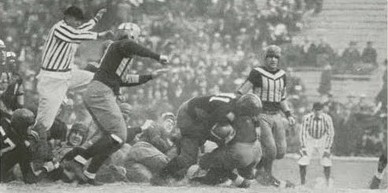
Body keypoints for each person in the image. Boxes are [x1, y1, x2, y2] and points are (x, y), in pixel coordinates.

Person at [61, 22, 169, 186]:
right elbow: (131, 45)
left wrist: (150, 76)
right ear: (132, 34)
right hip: (101, 92)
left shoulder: (117, 54)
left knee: (114, 139)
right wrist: (157, 57)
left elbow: (124, 79)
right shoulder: (122, 45)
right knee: (120, 134)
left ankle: (90, 173)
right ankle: (78, 160)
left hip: (99, 91)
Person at [32, 6, 112, 157]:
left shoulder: (71, 27)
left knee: (95, 77)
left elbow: (80, 29)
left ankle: (109, 99)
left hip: (67, 74)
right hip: (52, 80)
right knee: (43, 124)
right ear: (67, 17)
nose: (77, 23)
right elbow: (76, 36)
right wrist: (100, 34)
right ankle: (30, 153)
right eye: (75, 20)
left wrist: (96, 19)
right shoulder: (59, 28)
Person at [152, 93, 262, 185]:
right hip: (190, 116)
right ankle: (161, 176)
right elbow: (207, 127)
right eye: (248, 115)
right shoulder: (226, 111)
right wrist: (220, 143)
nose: (250, 118)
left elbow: (254, 119)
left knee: (226, 146)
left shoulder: (238, 104)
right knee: (189, 158)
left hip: (203, 117)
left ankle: (223, 173)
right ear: (243, 110)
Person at [236, 45, 296, 188]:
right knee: (271, 149)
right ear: (266, 58)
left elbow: (282, 98)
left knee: (281, 152)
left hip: (277, 115)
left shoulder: (282, 74)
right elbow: (242, 91)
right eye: (270, 57)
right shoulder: (257, 72)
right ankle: (265, 175)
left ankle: (257, 170)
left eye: (276, 57)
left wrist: (288, 114)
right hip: (261, 114)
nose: (273, 60)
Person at [191, 115, 262, 188]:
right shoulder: (246, 116)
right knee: (213, 173)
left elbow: (223, 136)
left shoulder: (222, 119)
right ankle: (249, 175)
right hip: (256, 152)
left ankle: (236, 178)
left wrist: (202, 163)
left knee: (211, 161)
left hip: (241, 153)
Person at [0, 108, 57, 183]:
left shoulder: (3, 121)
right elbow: (31, 179)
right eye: (29, 126)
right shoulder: (22, 145)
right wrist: (46, 169)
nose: (31, 130)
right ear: (21, 128)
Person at [298, 102, 335, 186]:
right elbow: (303, 133)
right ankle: (302, 183)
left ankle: (327, 182)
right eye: (316, 110)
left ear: (322, 110)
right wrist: (303, 147)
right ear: (313, 110)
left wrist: (327, 148)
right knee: (303, 159)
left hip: (322, 139)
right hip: (310, 139)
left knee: (326, 160)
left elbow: (330, 133)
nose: (317, 112)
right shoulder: (306, 118)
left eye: (319, 110)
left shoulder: (327, 118)